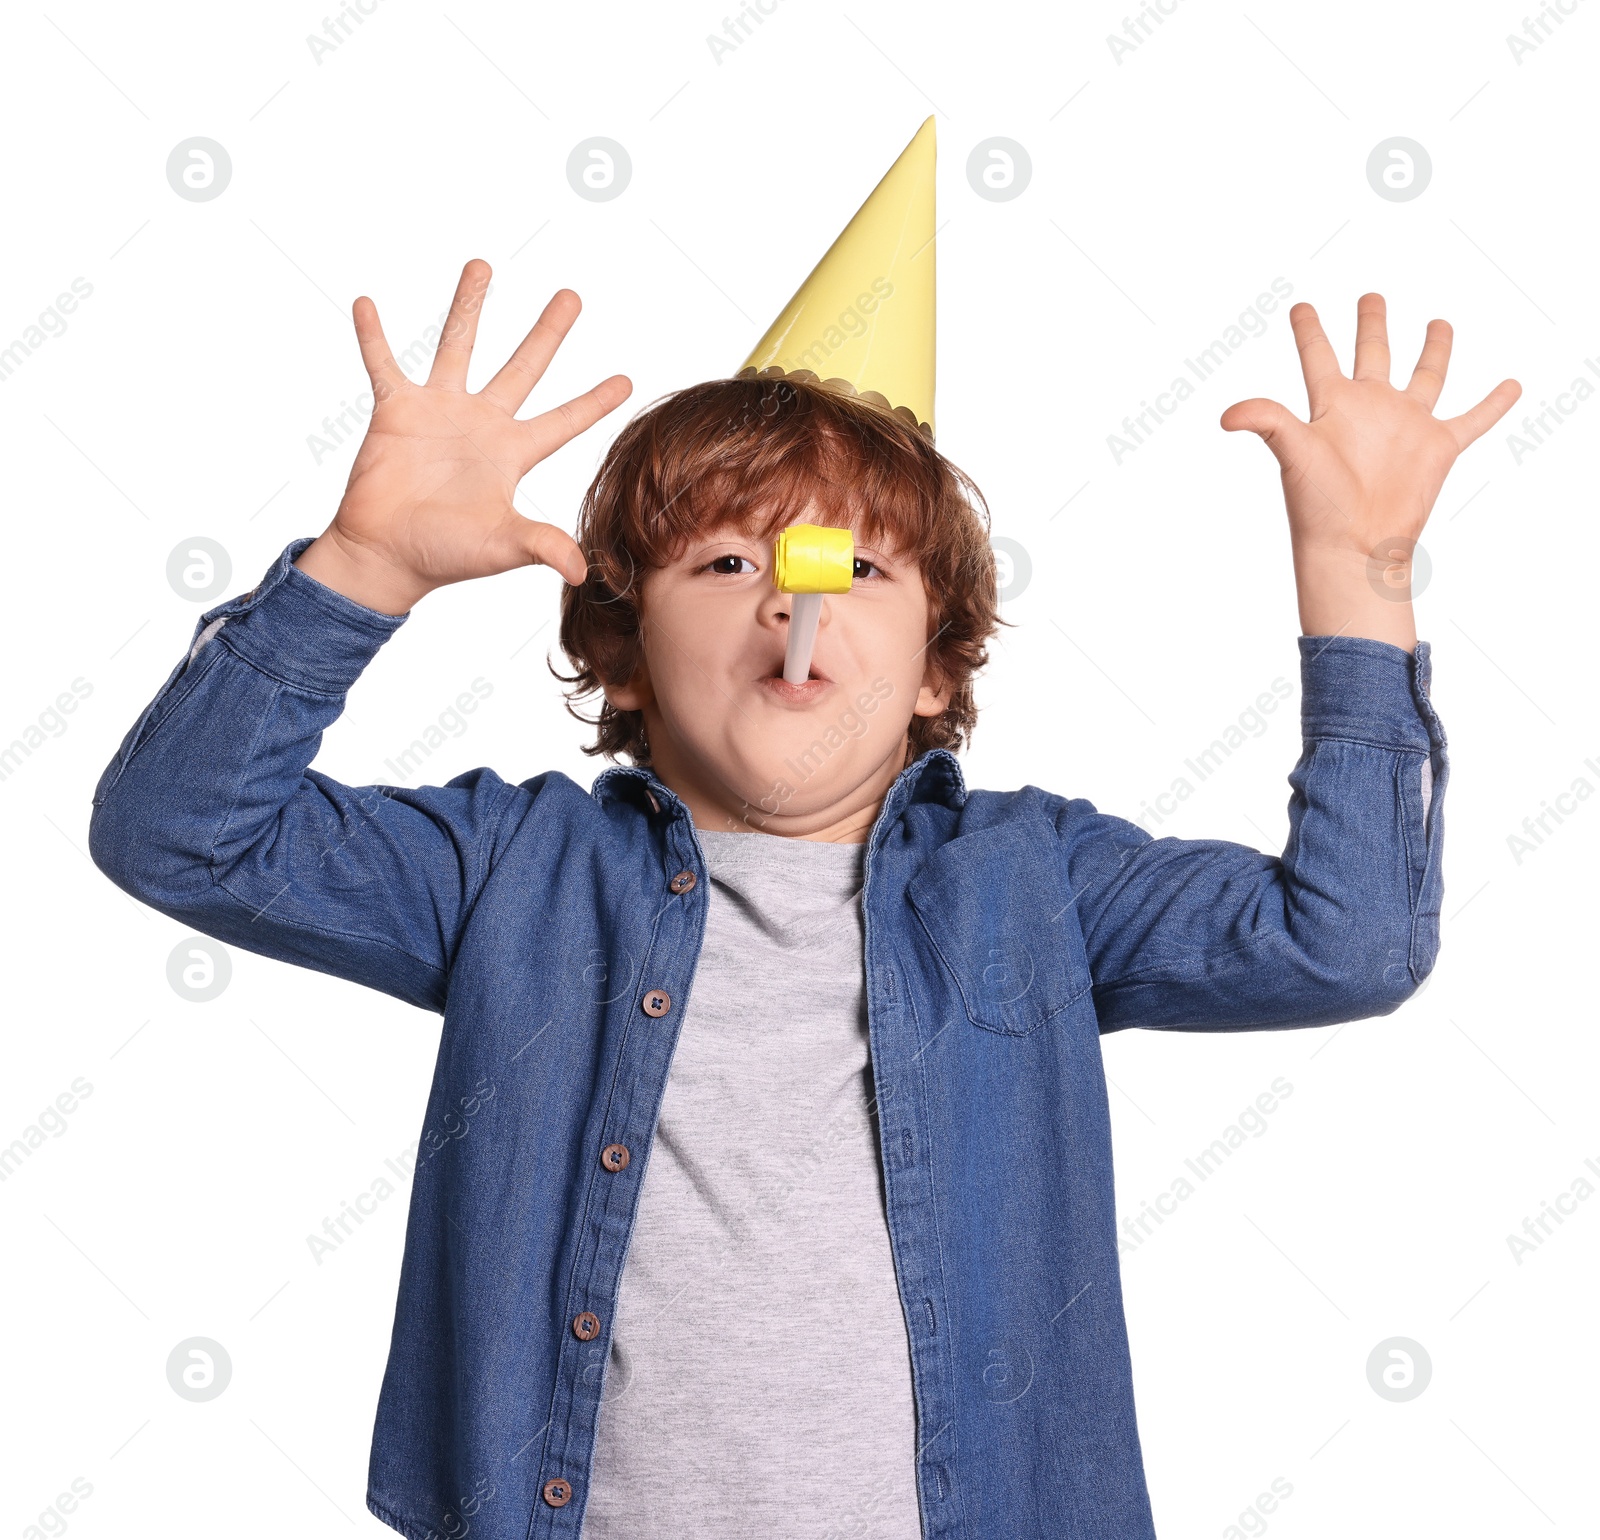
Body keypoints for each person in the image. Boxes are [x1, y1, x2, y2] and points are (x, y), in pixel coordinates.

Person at [88, 118, 1517, 1540]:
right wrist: (360, 571)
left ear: (940, 665)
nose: (797, 600)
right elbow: (179, 834)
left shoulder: (1038, 885)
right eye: (725, 560)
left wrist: (1359, 580)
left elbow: (1353, 945)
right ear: (626, 650)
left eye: (857, 566)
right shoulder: (507, 869)